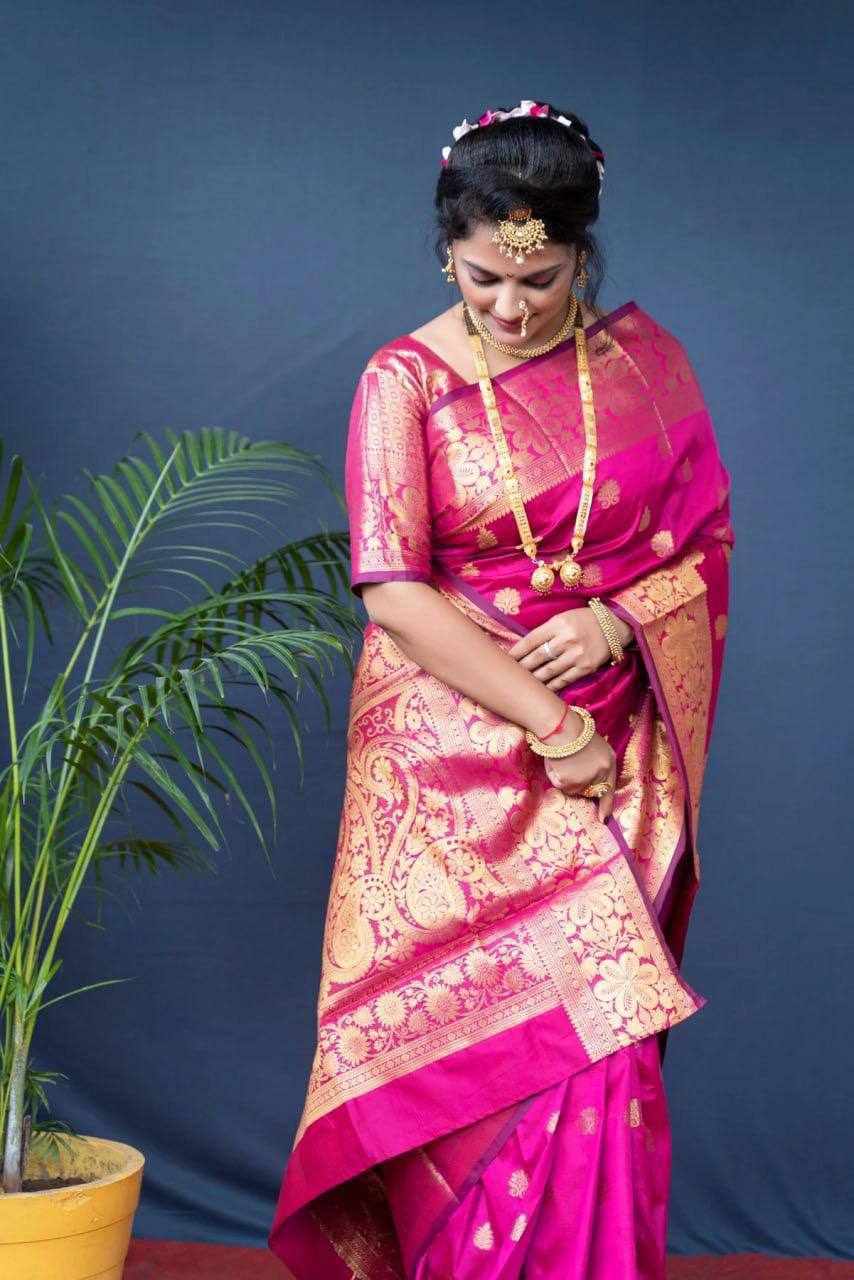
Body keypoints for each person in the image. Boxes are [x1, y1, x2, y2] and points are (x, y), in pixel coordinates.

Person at [268, 98, 734, 1279]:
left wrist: (615, 618)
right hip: (448, 767)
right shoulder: (403, 382)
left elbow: (702, 544)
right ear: (447, 254)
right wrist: (553, 723)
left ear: (583, 253)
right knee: (466, 1067)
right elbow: (392, 589)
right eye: (483, 279)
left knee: (599, 1045)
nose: (512, 306)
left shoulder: (642, 366)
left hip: (606, 758)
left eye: (542, 279)